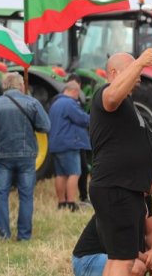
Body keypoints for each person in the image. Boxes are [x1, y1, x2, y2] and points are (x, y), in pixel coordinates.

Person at [89, 49, 152, 276]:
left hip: (122, 188)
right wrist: (140, 62)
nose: (138, 78)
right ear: (114, 72)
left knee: (119, 259)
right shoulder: (106, 95)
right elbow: (112, 97)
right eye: (133, 72)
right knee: (124, 261)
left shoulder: (127, 104)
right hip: (116, 187)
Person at [0, 72, 50, 240]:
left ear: (5, 86)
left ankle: (3, 235)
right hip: (26, 156)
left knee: (1, 195)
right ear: (21, 86)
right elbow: (45, 127)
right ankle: (24, 235)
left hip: (2, 156)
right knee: (26, 195)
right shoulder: (32, 102)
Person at [72, 170, 152, 276]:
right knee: (136, 267)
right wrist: (150, 261)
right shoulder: (123, 198)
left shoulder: (145, 195)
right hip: (87, 260)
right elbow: (120, 246)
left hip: (118, 251)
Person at [48, 81, 90, 212]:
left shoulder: (55, 104)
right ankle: (71, 203)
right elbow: (82, 119)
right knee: (74, 173)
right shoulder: (69, 103)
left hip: (55, 144)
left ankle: (61, 203)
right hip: (68, 144)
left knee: (61, 175)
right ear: (75, 91)